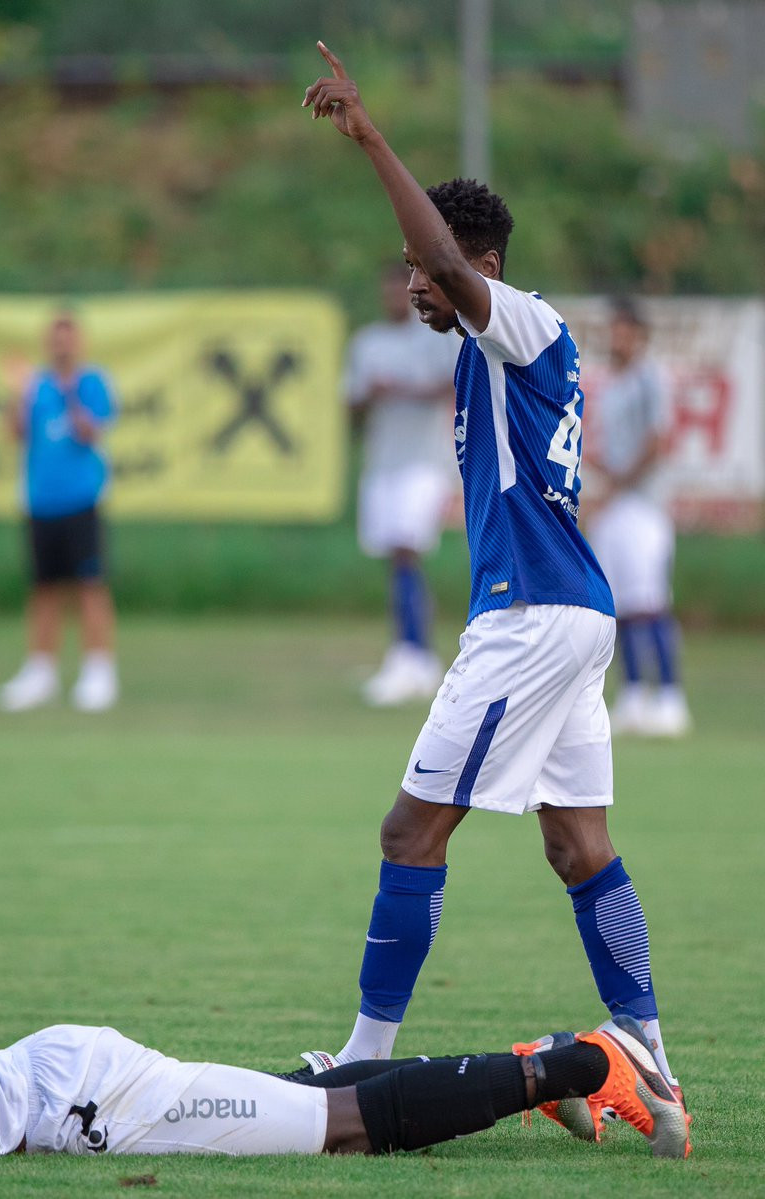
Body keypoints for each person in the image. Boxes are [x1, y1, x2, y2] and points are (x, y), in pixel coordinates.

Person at [298, 42, 686, 1111]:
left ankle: (363, 1057)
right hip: (571, 612)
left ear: (484, 269)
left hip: (533, 618)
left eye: (430, 267)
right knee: (577, 842)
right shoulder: (484, 350)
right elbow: (444, 270)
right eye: (415, 270)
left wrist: (370, 135)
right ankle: (649, 1059)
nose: (416, 280)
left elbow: (454, 268)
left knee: (408, 830)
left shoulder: (524, 324)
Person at [0, 951, 689, 1160]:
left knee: (334, 1129)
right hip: (73, 1084)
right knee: (302, 1094)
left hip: (92, 1101)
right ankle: (526, 1060)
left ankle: (581, 1061)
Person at [343, 263, 459, 706]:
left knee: (408, 551)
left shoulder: (434, 337)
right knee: (395, 558)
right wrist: (370, 396)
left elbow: (450, 386)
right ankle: (411, 654)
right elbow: (351, 406)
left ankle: (414, 654)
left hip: (423, 462)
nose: (396, 298)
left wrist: (400, 390)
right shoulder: (367, 342)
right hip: (383, 463)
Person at [0, 312, 119, 713]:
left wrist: (69, 394)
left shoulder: (91, 383)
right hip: (40, 500)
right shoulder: (35, 387)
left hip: (81, 499)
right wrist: (16, 394)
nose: (62, 346)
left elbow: (91, 432)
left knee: (89, 585)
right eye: (56, 339)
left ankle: (98, 671)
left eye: (69, 339)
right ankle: (40, 672)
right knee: (44, 588)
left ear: (79, 343)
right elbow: (15, 434)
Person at [587, 300, 691, 737]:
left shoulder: (651, 379)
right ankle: (632, 692)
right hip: (615, 505)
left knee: (650, 602)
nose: (617, 339)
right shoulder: (611, 385)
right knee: (620, 605)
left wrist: (620, 482)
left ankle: (670, 694)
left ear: (640, 336)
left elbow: (657, 440)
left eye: (624, 331)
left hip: (643, 504)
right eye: (613, 331)